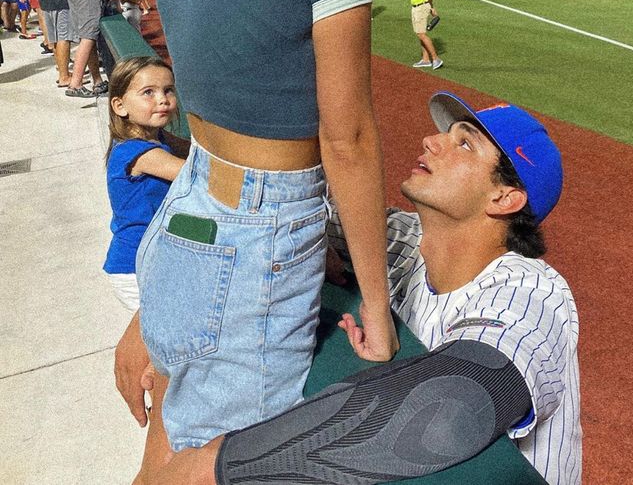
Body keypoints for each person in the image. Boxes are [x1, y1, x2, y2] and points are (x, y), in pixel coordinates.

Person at [118, 0, 398, 481]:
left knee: (174, 442)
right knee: (220, 465)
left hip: (193, 212)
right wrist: (376, 301)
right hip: (257, 231)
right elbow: (348, 138)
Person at [133, 90, 581, 485]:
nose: (432, 141)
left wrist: (218, 466)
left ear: (505, 198)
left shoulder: (533, 293)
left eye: (464, 143)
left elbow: (455, 404)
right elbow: (251, 229)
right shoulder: (398, 238)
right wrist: (147, 324)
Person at [104, 56, 187, 312]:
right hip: (135, 268)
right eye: (148, 92)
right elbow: (196, 172)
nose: (162, 99)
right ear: (120, 106)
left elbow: (199, 150)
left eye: (168, 90)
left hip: (153, 260)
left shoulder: (157, 137)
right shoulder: (137, 153)